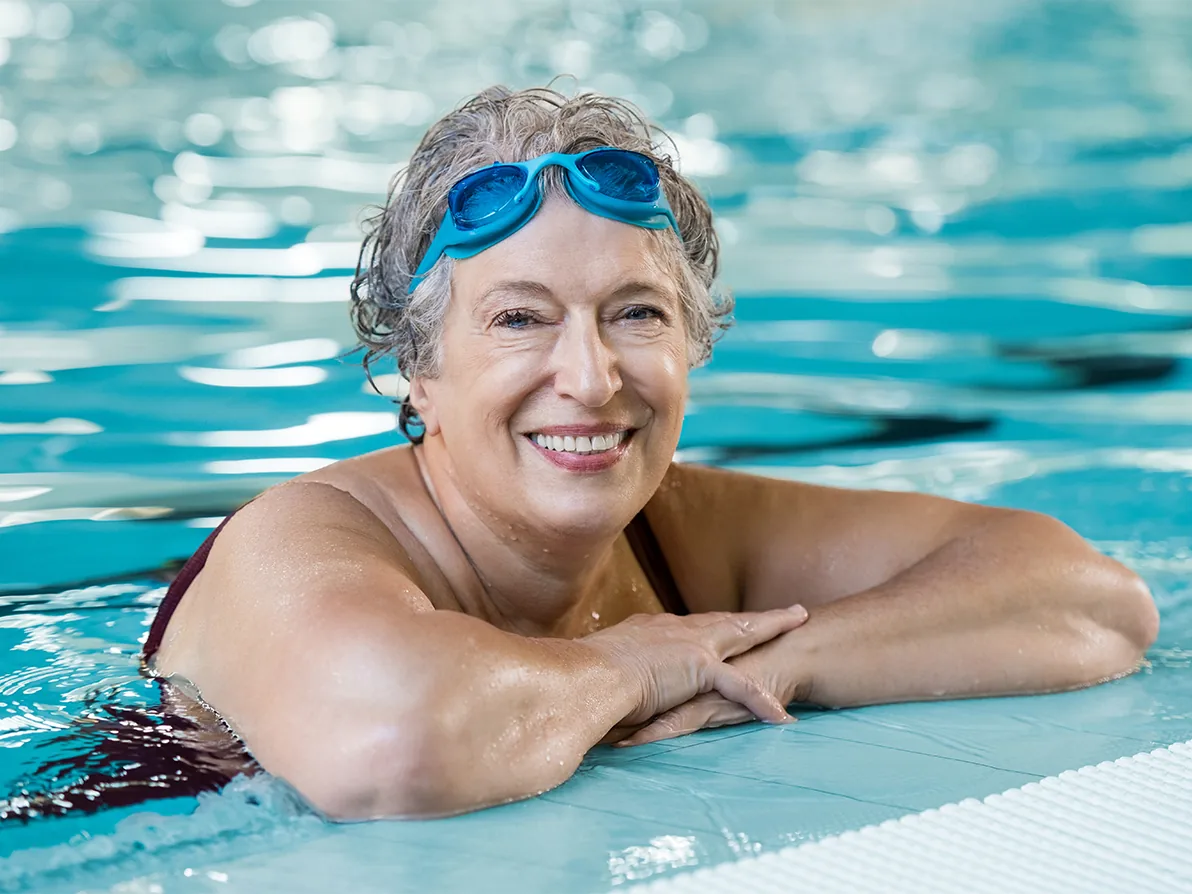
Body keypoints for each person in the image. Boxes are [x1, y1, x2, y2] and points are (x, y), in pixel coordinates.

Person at [142, 85, 1158, 822]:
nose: (589, 378)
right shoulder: (302, 539)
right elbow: (398, 745)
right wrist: (633, 661)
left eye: (634, 314)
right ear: (418, 369)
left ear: (691, 343)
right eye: (518, 320)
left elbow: (1089, 602)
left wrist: (778, 662)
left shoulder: (675, 532)